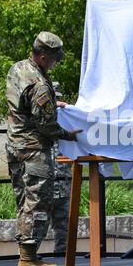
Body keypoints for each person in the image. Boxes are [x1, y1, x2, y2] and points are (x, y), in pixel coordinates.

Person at [6, 31, 82, 266]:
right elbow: (46, 126)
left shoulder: (18, 68)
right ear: (41, 56)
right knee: (38, 201)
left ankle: (27, 255)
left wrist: (50, 103)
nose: (56, 62)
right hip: (34, 150)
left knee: (23, 199)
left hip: (15, 145)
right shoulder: (39, 84)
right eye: (53, 58)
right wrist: (67, 135)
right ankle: (28, 259)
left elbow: (25, 105)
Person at [50, 82, 72, 256]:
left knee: (63, 223)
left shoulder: (67, 119)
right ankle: (29, 256)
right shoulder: (36, 118)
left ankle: (62, 255)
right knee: (37, 220)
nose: (57, 104)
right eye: (53, 100)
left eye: (58, 99)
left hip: (63, 180)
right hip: (43, 181)